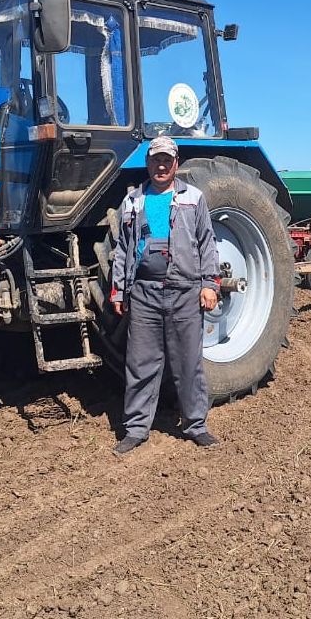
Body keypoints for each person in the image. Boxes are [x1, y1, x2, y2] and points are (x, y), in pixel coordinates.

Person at [109, 136, 221, 455]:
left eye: (166, 160)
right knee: (140, 363)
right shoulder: (132, 201)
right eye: (155, 160)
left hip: (185, 290)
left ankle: (196, 425)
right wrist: (119, 290)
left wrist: (210, 284)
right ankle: (135, 429)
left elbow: (207, 243)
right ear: (148, 163)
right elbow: (121, 250)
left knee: (188, 363)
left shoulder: (193, 198)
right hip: (144, 292)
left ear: (176, 163)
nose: (160, 165)